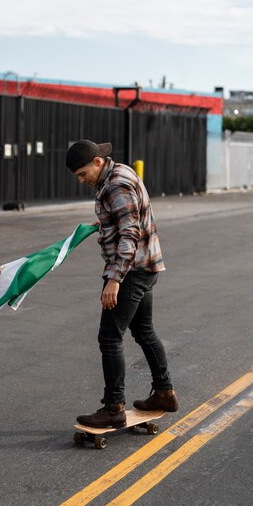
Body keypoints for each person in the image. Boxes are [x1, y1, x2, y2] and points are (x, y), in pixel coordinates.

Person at [66, 139, 178, 428]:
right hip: (145, 265)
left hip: (131, 269)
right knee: (143, 331)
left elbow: (130, 233)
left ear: (98, 162)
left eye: (82, 174)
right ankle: (164, 392)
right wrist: (103, 226)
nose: (81, 181)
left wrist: (114, 279)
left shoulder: (115, 185)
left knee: (110, 337)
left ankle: (113, 406)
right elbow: (124, 220)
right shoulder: (119, 174)